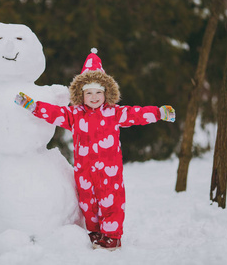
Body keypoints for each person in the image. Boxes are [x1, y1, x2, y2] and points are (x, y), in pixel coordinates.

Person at [14, 48, 175, 250]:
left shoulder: (114, 113)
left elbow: (137, 114)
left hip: (110, 172)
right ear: (81, 94)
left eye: (98, 92)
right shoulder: (75, 115)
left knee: (111, 202)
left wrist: (159, 112)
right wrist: (32, 105)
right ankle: (96, 233)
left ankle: (112, 236)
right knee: (88, 204)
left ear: (106, 93)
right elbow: (54, 113)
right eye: (89, 92)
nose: (94, 96)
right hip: (85, 172)